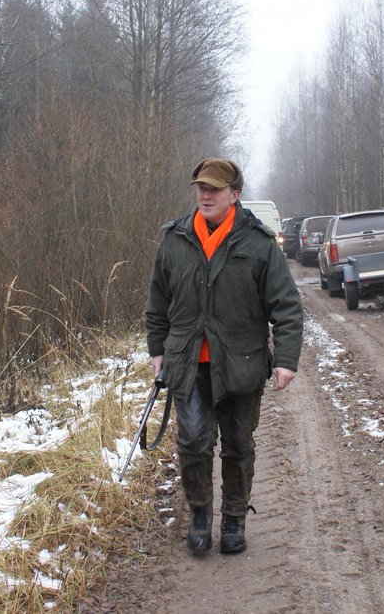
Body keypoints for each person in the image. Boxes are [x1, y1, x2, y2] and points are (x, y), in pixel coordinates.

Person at [145, 157, 303, 555]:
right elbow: (157, 302)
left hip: (241, 364)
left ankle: (234, 519)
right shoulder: (175, 239)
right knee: (193, 442)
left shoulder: (259, 243)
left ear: (235, 195)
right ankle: (200, 517)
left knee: (238, 446)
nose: (206, 195)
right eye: (202, 187)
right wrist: (157, 350)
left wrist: (286, 359)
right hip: (188, 363)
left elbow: (286, 305)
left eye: (215, 189)